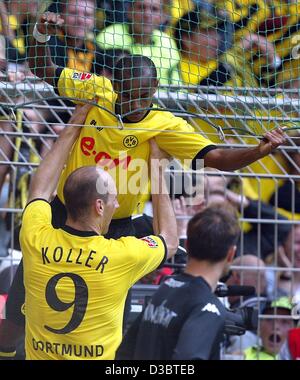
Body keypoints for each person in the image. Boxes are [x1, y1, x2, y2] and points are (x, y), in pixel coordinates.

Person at [0, 10, 286, 358]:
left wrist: (258, 151)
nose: (131, 105)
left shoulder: (166, 126)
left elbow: (218, 158)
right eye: (125, 95)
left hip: (116, 226)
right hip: (66, 213)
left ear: (154, 90)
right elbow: (43, 69)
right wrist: (41, 36)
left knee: (108, 321)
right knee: (18, 310)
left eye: (140, 98)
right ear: (113, 85)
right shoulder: (94, 90)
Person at [9, 102, 178, 360]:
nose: (119, 204)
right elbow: (169, 239)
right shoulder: (123, 256)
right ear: (100, 206)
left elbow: (41, 189)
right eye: (114, 199)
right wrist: (157, 168)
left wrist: (73, 125)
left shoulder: (35, 236)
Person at [117, 204, 240, 360]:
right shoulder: (207, 308)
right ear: (231, 254)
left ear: (187, 244)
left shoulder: (164, 290)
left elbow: (124, 353)